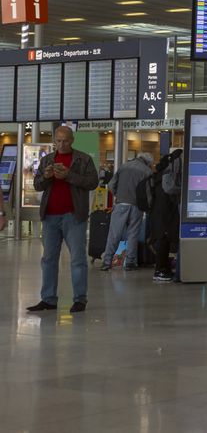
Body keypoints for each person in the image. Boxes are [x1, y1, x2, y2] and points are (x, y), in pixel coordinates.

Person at [27, 126, 99, 314]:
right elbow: (37, 185)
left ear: (72, 140)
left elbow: (93, 183)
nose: (62, 144)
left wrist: (69, 176)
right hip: (50, 216)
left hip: (74, 216)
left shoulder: (83, 159)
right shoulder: (47, 160)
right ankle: (48, 299)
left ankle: (80, 299)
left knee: (77, 259)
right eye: (58, 141)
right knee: (49, 259)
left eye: (65, 140)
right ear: (54, 141)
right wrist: (46, 176)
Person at [100, 152, 154, 271]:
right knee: (133, 234)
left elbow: (111, 184)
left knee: (114, 234)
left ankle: (107, 262)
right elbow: (148, 193)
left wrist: (118, 195)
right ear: (148, 162)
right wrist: (148, 206)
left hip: (121, 205)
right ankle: (130, 262)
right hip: (137, 207)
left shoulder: (124, 166)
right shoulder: (147, 171)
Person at [148, 149, 183, 282]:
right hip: (164, 212)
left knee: (164, 240)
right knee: (164, 240)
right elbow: (169, 190)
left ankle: (163, 269)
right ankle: (160, 270)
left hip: (158, 212)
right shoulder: (169, 173)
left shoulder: (160, 173)